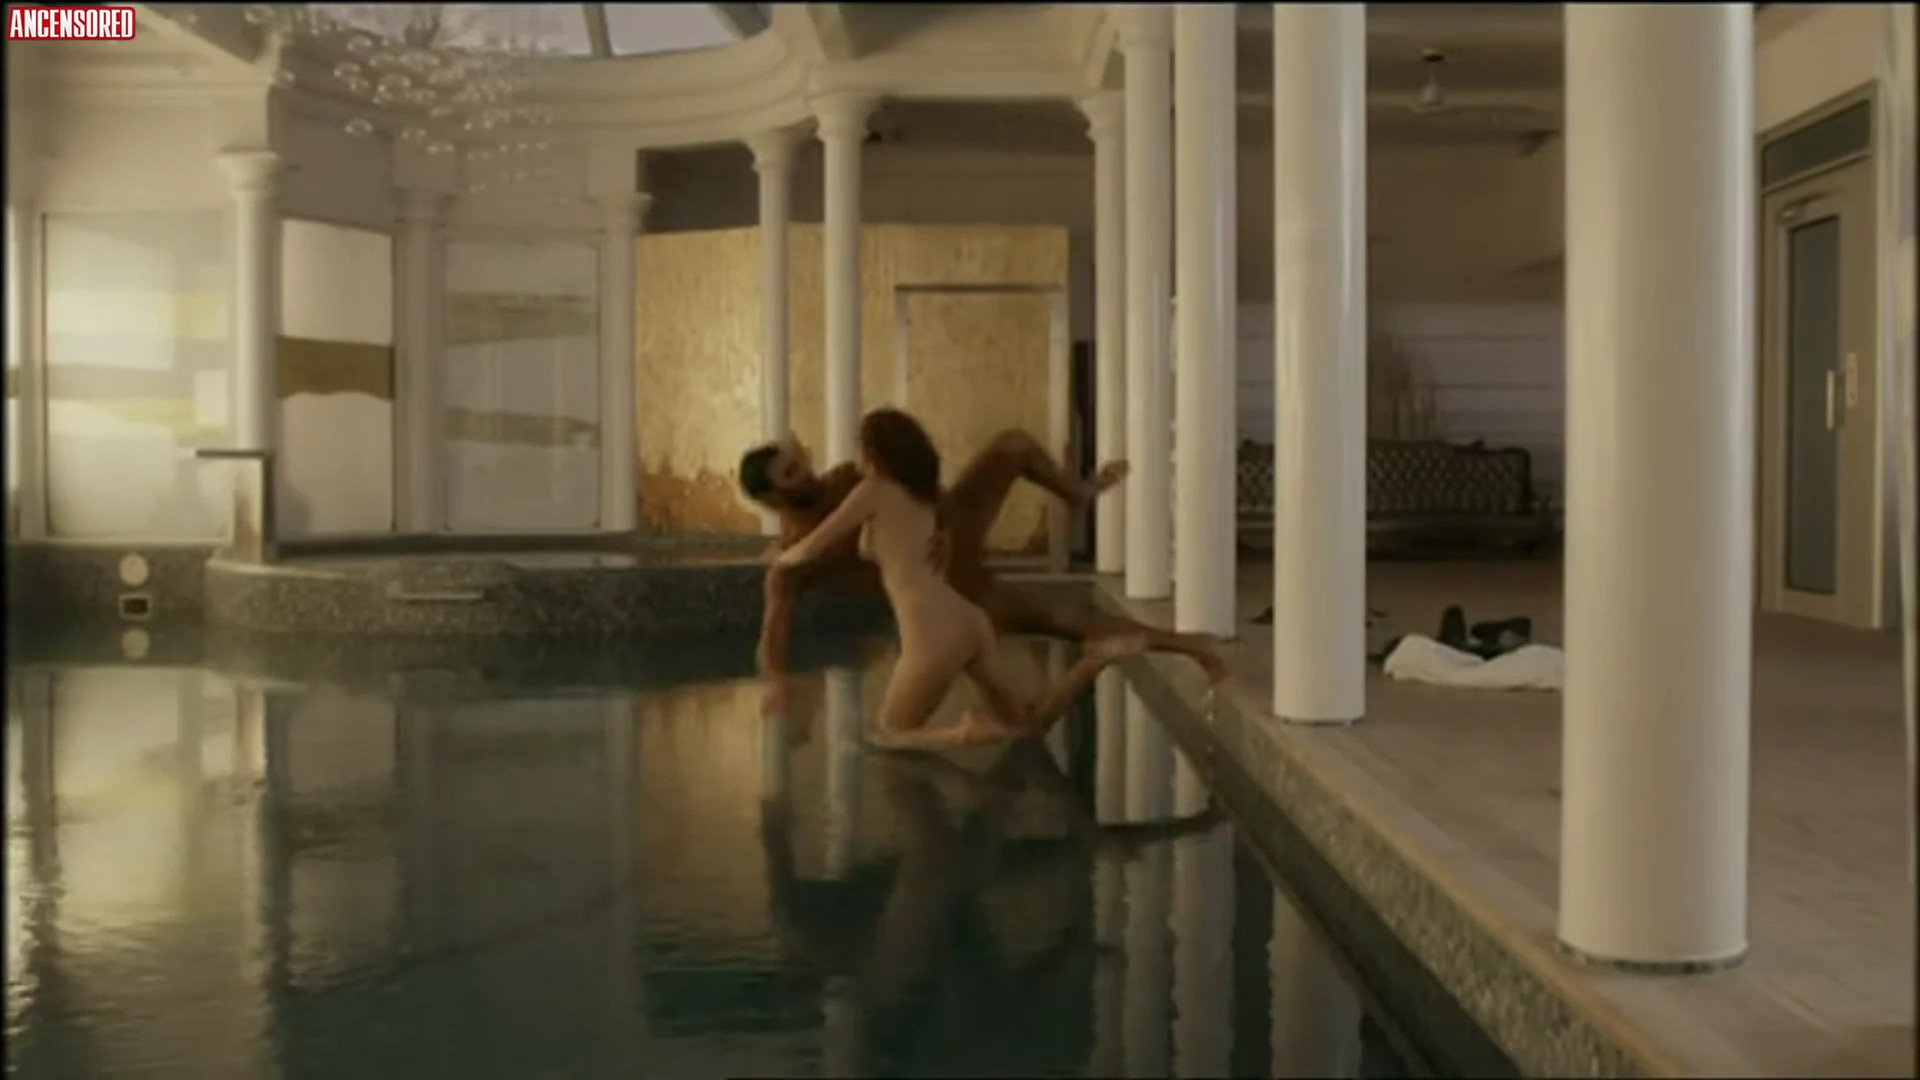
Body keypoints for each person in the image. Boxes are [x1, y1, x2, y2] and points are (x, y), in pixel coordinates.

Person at [769, 408, 1144, 749]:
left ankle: (966, 733)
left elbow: (813, 547)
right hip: (968, 619)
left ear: (877, 452)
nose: (857, 456)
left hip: (931, 635)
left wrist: (776, 559)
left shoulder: (873, 491)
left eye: (861, 447)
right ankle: (1094, 660)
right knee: (1025, 729)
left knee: (888, 735)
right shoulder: (918, 493)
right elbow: (914, 533)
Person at [739, 424, 1227, 681]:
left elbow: (915, 483)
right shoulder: (793, 559)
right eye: (791, 474)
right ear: (771, 498)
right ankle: (1189, 645)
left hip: (955, 521)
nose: (806, 472)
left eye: (798, 463)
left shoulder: (845, 478)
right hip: (949, 582)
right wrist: (775, 684)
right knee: (1060, 618)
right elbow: (773, 626)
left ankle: (1078, 492)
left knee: (1013, 444)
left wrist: (939, 520)